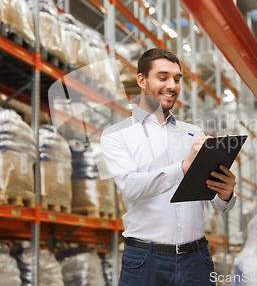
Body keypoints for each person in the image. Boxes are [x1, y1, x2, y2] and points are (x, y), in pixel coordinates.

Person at [100, 48, 237, 286]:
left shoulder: (193, 134)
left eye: (176, 79)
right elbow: (130, 187)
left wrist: (225, 194)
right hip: (145, 261)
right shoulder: (117, 135)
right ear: (142, 80)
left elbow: (217, 203)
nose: (171, 86)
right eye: (163, 78)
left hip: (197, 258)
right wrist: (183, 167)